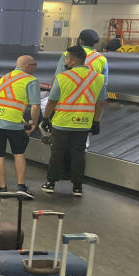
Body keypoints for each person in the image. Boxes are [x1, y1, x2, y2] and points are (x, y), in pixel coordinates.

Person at [41, 45, 107, 196]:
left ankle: (51, 183)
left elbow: (52, 100)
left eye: (67, 58)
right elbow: (100, 102)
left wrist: (46, 117)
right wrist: (96, 121)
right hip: (83, 123)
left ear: (75, 60)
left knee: (57, 152)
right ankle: (77, 186)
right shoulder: (98, 78)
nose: (65, 61)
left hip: (62, 122)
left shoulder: (62, 77)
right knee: (78, 153)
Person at [0, 55, 40, 194]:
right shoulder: (31, 80)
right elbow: (35, 107)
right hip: (13, 121)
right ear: (29, 66)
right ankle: (21, 187)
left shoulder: (5, 77)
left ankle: (2, 188)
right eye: (34, 64)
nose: (35, 67)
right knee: (18, 153)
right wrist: (33, 123)